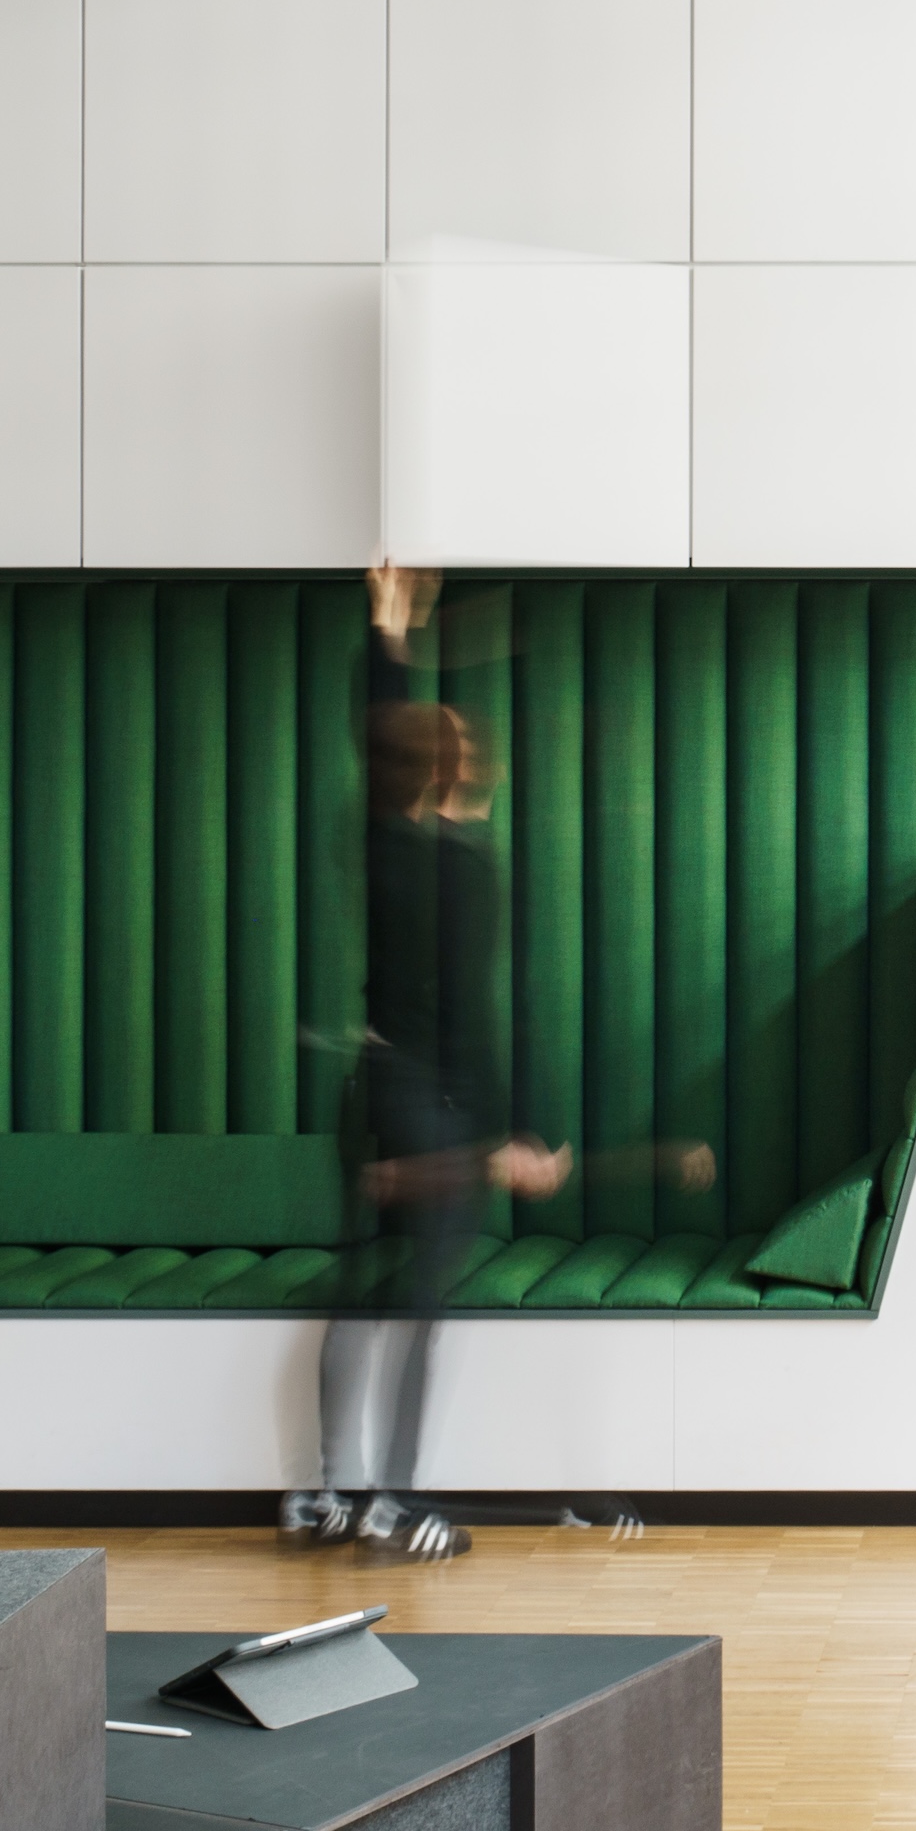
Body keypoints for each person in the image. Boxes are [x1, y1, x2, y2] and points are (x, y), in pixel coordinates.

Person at [280, 568, 571, 1561]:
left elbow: (378, 733)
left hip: (367, 1096)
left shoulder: (376, 839)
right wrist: (512, 1136)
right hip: (429, 1108)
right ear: (449, 777)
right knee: (420, 1304)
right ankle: (393, 1502)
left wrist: (388, 625)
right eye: (467, 748)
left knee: (357, 1289)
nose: (483, 757)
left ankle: (328, 1492)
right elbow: (473, 1020)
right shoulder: (463, 871)